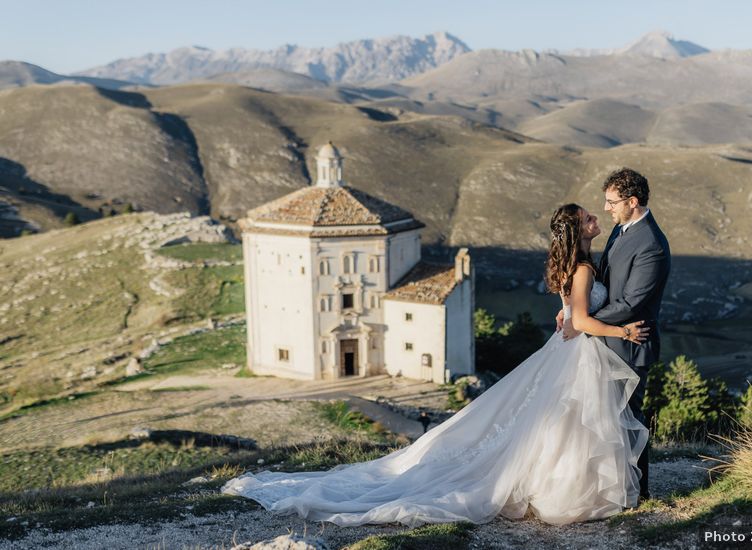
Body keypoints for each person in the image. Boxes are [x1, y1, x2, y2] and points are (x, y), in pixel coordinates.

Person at [222, 203, 650, 527]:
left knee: (560, 423)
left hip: (570, 350)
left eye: (597, 213)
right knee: (566, 422)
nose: (597, 218)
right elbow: (579, 319)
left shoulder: (575, 265)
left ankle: (566, 484)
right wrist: (624, 332)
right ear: (577, 229)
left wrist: (572, 317)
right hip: (577, 351)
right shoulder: (581, 267)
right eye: (590, 217)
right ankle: (570, 489)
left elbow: (570, 314)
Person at [557, 167, 671, 502]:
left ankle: (639, 493)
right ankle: (609, 489)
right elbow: (603, 283)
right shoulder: (621, 230)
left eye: (612, 202)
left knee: (629, 419)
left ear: (632, 201)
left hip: (630, 343)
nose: (606, 208)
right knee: (605, 420)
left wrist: (582, 318)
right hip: (604, 341)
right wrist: (573, 309)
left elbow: (631, 302)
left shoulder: (651, 245)